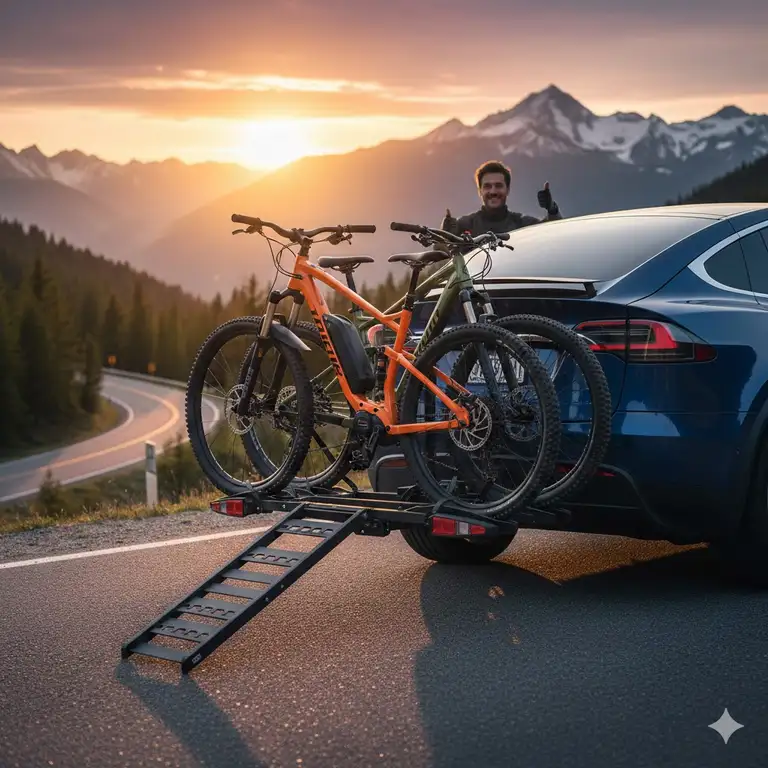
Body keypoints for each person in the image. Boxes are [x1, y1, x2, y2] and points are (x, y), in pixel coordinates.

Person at [441, 160, 562, 237]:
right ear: (480, 191)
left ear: (508, 190)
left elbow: (554, 235)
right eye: (487, 186)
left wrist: (552, 210)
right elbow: (442, 260)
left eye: (498, 186)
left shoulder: (522, 224)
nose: (493, 191)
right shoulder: (464, 225)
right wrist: (445, 236)